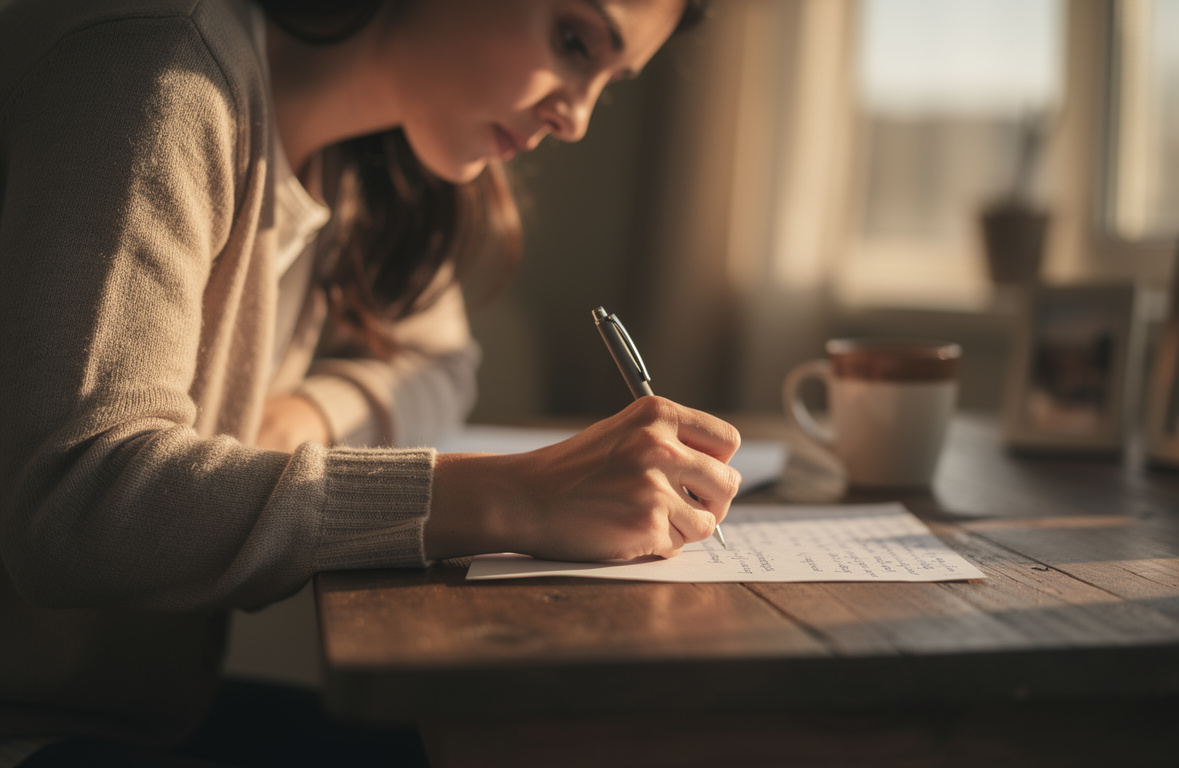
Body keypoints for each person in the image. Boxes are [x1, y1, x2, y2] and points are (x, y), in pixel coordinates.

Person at [0, 0, 735, 765]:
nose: (577, 118)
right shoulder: (158, 73)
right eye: (574, 39)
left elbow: (442, 362)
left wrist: (307, 417)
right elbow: (74, 504)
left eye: (608, 81)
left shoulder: (361, 156)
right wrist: (510, 496)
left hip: (143, 715)